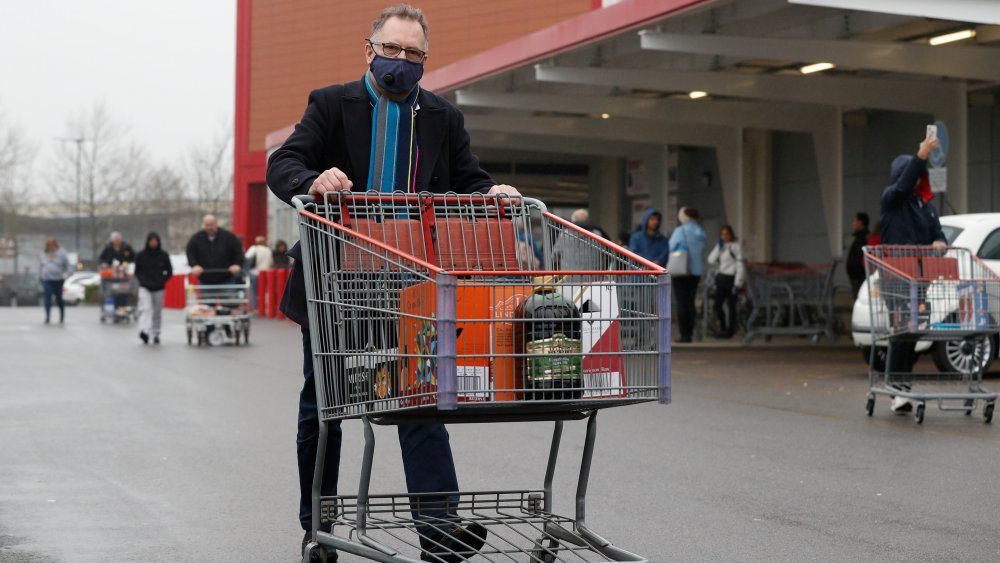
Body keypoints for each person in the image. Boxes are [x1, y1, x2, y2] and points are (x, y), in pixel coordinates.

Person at [265, 5, 519, 561]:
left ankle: (440, 529)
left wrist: (491, 194)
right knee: (326, 405)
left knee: (421, 400)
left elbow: (468, 180)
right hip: (336, 284)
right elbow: (283, 163)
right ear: (369, 50)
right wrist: (314, 178)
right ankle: (319, 523)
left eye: (413, 53)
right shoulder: (331, 104)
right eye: (392, 49)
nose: (401, 61)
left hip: (410, 286)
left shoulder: (441, 118)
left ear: (425, 60)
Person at [880, 131, 945, 414]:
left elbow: (938, 234)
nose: (917, 177)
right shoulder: (892, 199)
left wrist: (940, 243)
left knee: (914, 331)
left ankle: (902, 385)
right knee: (902, 331)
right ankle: (897, 388)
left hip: (919, 279)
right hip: (896, 275)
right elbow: (904, 184)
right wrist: (921, 154)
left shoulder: (925, 207)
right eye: (911, 172)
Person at [668, 207, 707, 343]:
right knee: (690, 302)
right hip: (696, 271)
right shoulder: (700, 231)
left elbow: (671, 246)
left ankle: (684, 335)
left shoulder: (680, 231)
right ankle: (691, 332)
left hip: (681, 270)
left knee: (681, 303)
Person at [134, 232, 173, 344]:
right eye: (151, 241)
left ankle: (156, 332)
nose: (153, 243)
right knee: (146, 308)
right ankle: (144, 330)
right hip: (145, 286)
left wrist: (162, 280)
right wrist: (143, 281)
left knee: (157, 311)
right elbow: (137, 272)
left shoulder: (163, 255)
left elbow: (169, 271)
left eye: (155, 241)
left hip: (159, 287)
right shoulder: (141, 255)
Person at [706, 224, 744, 339]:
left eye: (726, 234)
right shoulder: (721, 247)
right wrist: (718, 248)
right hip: (721, 278)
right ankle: (723, 328)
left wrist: (738, 282)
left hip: (731, 278)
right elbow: (710, 260)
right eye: (722, 234)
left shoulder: (736, 246)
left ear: (731, 234)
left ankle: (730, 330)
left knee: (731, 305)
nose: (724, 236)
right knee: (718, 305)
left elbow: (740, 264)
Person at [185, 214, 244, 286]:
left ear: (216, 223)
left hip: (226, 279)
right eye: (207, 225)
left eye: (211, 225)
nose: (209, 227)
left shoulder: (229, 237)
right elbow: (190, 252)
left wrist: (237, 264)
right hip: (205, 280)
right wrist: (194, 265)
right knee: (207, 297)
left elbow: (238, 252)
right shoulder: (196, 238)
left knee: (228, 297)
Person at [98, 231, 136, 309]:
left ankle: (121, 310)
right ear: (113, 240)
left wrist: (129, 265)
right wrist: (104, 264)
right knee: (112, 293)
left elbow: (134, 257)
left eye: (119, 239)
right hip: (111, 276)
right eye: (116, 240)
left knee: (123, 292)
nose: (118, 241)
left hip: (124, 275)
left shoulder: (126, 247)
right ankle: (114, 310)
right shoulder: (108, 248)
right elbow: (101, 258)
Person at [38, 237, 71, 324]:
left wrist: (66, 274)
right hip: (47, 279)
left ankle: (62, 316)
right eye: (49, 245)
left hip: (58, 279)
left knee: (59, 299)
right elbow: (40, 266)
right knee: (47, 299)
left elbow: (67, 265)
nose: (51, 247)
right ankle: (47, 317)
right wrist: (40, 277)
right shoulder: (43, 254)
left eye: (53, 245)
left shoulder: (61, 253)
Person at [244, 235, 274, 312]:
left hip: (255, 272)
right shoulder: (268, 250)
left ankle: (255, 308)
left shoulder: (254, 248)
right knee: (264, 291)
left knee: (254, 292)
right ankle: (264, 307)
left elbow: (246, 257)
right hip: (265, 273)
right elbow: (271, 262)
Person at [846, 212, 870, 299]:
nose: (853, 223)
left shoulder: (862, 238)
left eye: (855, 220)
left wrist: (856, 271)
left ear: (860, 222)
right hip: (857, 276)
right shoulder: (860, 238)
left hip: (858, 277)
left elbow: (858, 257)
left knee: (858, 297)